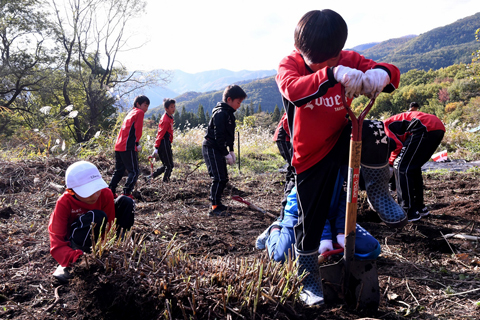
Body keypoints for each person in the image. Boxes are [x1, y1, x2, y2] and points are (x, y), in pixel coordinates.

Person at [275, 9, 401, 305]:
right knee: (311, 221)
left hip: (344, 137)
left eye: (330, 60)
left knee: (375, 130)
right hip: (310, 152)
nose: (323, 65)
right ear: (300, 50)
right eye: (314, 62)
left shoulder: (348, 57)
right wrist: (331, 73)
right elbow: (294, 91)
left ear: (339, 49)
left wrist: (379, 75)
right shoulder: (290, 64)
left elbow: (391, 71)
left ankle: (379, 192)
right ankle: (308, 279)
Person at [256, 171, 381, 263]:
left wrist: (341, 232)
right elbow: (313, 204)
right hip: (301, 215)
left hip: (332, 217)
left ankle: (327, 245)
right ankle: (275, 229)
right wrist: (325, 236)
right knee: (280, 259)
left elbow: (344, 200)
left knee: (372, 249)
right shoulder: (315, 159)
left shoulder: (347, 161)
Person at [48, 161, 135, 283]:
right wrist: (78, 259)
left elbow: (109, 227)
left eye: (96, 189)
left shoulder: (105, 193)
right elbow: (57, 244)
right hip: (78, 243)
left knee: (126, 202)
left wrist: (106, 252)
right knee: (96, 216)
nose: (95, 196)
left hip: (99, 236)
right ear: (71, 191)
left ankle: (123, 246)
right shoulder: (64, 203)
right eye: (88, 193)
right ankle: (72, 264)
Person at [384, 104, 445, 222]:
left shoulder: (384, 126)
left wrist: (390, 165)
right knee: (412, 168)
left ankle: (407, 210)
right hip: (437, 127)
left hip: (423, 126)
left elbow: (397, 146)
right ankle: (419, 208)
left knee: (401, 167)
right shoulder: (392, 123)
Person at [202, 85, 247, 216]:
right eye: (238, 102)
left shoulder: (229, 114)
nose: (239, 105)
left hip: (219, 148)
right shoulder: (220, 113)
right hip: (211, 147)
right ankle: (214, 207)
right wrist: (226, 154)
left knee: (224, 178)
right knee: (218, 178)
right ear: (229, 100)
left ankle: (218, 203)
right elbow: (219, 137)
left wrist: (231, 150)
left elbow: (229, 136)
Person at [109, 95, 150, 198]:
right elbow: (137, 130)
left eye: (147, 106)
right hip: (128, 146)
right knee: (134, 171)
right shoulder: (139, 112)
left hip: (119, 145)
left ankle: (110, 191)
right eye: (145, 105)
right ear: (138, 104)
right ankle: (126, 193)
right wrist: (137, 144)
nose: (146, 108)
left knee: (119, 170)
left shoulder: (130, 112)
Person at [273, 112, 295, 220]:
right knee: (295, 168)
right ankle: (286, 207)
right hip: (285, 138)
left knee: (293, 169)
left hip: (287, 138)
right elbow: (287, 122)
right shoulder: (297, 102)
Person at [150, 98, 176, 182]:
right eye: (171, 107)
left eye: (174, 106)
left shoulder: (170, 117)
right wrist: (156, 147)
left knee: (168, 165)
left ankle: (151, 177)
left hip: (167, 143)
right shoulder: (165, 119)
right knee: (169, 165)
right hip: (163, 143)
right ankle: (166, 182)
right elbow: (160, 133)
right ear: (166, 108)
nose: (173, 108)